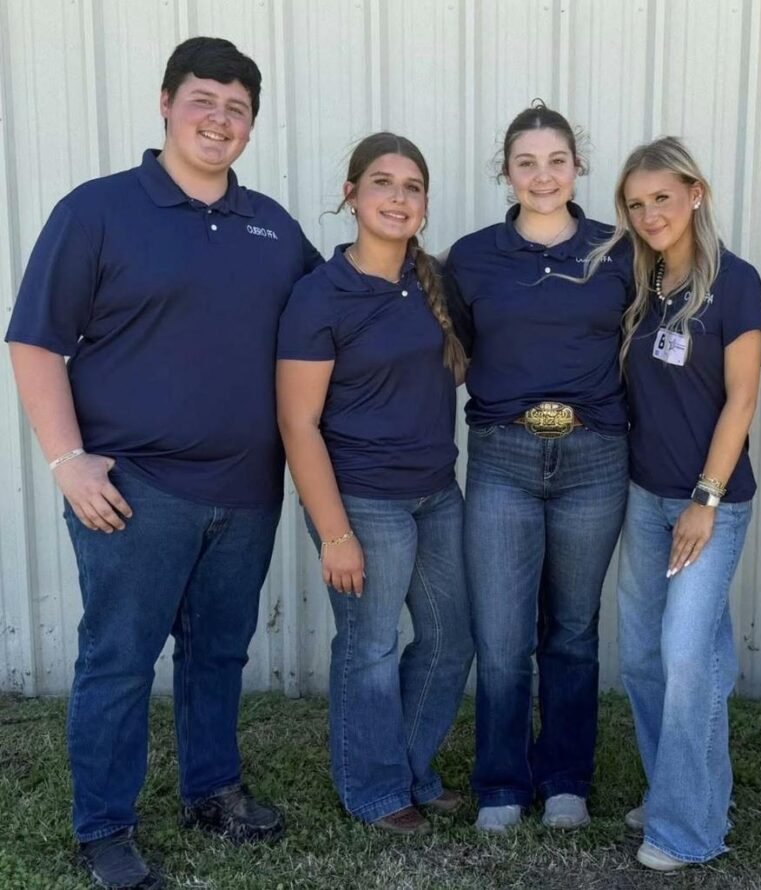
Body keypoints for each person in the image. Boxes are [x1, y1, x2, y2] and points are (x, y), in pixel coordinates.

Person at [5, 37, 321, 890]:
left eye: (237, 108)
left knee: (218, 654)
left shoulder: (274, 228)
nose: (220, 120)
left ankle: (211, 789)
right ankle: (105, 825)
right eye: (204, 101)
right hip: (134, 490)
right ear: (166, 104)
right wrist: (67, 460)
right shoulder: (99, 211)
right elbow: (35, 342)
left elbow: (335, 320)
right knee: (119, 659)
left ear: (251, 125)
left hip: (248, 489)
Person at [276, 132, 474, 835]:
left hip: (437, 493)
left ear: (424, 204)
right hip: (361, 499)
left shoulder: (435, 284)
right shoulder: (320, 295)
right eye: (383, 183)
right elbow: (298, 423)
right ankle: (374, 789)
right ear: (351, 194)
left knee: (452, 639)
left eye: (412, 186)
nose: (398, 197)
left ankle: (412, 769)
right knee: (371, 646)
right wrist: (334, 533)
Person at [444, 102, 633, 832]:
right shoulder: (472, 256)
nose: (543, 175)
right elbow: (452, 349)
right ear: (506, 172)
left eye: (556, 160)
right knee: (502, 635)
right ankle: (499, 781)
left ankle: (564, 780)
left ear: (578, 168)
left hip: (594, 457)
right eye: (527, 162)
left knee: (573, 630)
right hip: (503, 456)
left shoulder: (617, 251)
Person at [595, 137, 761, 871]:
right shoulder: (640, 282)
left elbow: (742, 399)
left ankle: (687, 830)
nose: (649, 213)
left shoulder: (737, 281)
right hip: (643, 495)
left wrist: (706, 496)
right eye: (636, 203)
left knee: (688, 659)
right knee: (643, 659)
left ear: (695, 193)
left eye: (662, 196)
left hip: (709, 504)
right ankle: (679, 786)